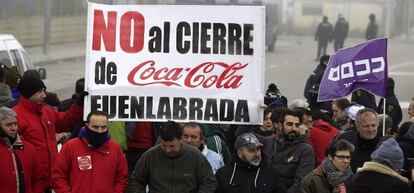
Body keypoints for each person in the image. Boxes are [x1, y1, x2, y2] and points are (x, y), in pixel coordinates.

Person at [13, 75, 85, 192]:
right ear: (29, 93)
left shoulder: (46, 111)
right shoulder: (16, 116)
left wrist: (79, 106)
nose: (44, 95)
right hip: (32, 181)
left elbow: (65, 121)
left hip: (51, 179)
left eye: (44, 91)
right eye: (40, 92)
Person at [127, 121, 217, 193]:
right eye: (164, 146)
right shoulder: (150, 155)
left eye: (172, 146)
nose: (168, 150)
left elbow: (209, 182)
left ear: (181, 139)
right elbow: (136, 181)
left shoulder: (195, 156)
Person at [52, 111, 128, 193]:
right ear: (87, 126)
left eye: (103, 127)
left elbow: (122, 176)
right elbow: (58, 175)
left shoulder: (115, 148)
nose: (99, 131)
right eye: (95, 127)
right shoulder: (70, 147)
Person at [264, 109, 315, 193]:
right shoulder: (271, 141)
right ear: (280, 126)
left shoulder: (305, 149)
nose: (294, 128)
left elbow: (300, 182)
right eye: (289, 124)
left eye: (297, 125)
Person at [215, 132, 280, 193]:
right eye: (251, 150)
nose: (257, 154)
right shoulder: (224, 174)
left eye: (258, 149)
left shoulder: (272, 173)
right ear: (239, 153)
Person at [0, 107, 44, 193]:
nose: (13, 128)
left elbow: (39, 179)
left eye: (15, 124)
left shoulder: (29, 148)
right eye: (8, 125)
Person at [335, 108, 380, 173]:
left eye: (373, 125)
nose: (370, 129)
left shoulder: (384, 146)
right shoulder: (345, 140)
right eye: (366, 126)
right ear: (357, 126)